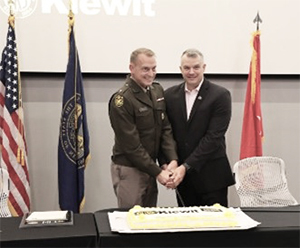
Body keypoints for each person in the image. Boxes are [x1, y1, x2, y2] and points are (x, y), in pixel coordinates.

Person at [164, 48, 235, 207]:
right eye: (186, 68)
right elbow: (166, 133)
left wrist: (185, 167)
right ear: (180, 69)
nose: (191, 72)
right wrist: (169, 163)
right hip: (184, 181)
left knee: (217, 228)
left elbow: (213, 137)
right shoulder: (169, 96)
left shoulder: (220, 95)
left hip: (212, 178)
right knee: (187, 228)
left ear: (204, 67)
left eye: (196, 67)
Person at [109, 48, 178, 208]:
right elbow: (131, 146)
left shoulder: (156, 90)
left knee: (149, 222)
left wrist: (171, 160)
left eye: (154, 69)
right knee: (131, 221)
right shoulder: (122, 99)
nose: (151, 74)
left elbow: (165, 128)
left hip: (150, 168)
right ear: (131, 68)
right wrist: (158, 173)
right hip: (130, 168)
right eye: (145, 69)